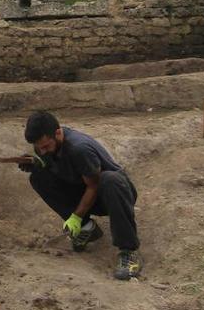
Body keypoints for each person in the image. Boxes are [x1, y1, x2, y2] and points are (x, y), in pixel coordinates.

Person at [20, 111, 143, 280]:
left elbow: (93, 185)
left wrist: (76, 217)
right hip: (82, 188)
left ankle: (128, 251)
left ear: (58, 133)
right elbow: (57, 167)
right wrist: (37, 164)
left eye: (46, 146)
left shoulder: (79, 148)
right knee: (38, 177)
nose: (42, 150)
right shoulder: (46, 144)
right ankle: (87, 229)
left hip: (112, 195)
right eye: (39, 147)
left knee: (110, 179)